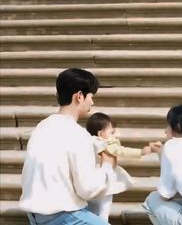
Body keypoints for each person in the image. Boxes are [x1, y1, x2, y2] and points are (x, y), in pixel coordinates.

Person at [19, 68, 117, 225]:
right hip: (61, 215)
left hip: (35, 214)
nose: (92, 102)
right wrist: (107, 165)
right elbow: (87, 189)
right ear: (79, 96)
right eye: (91, 97)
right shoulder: (77, 134)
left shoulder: (43, 126)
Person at [86, 112, 155, 221]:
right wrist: (141, 152)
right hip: (105, 181)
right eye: (112, 132)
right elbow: (121, 151)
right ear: (100, 134)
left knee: (92, 208)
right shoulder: (105, 144)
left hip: (93, 180)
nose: (115, 135)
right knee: (104, 209)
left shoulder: (90, 142)